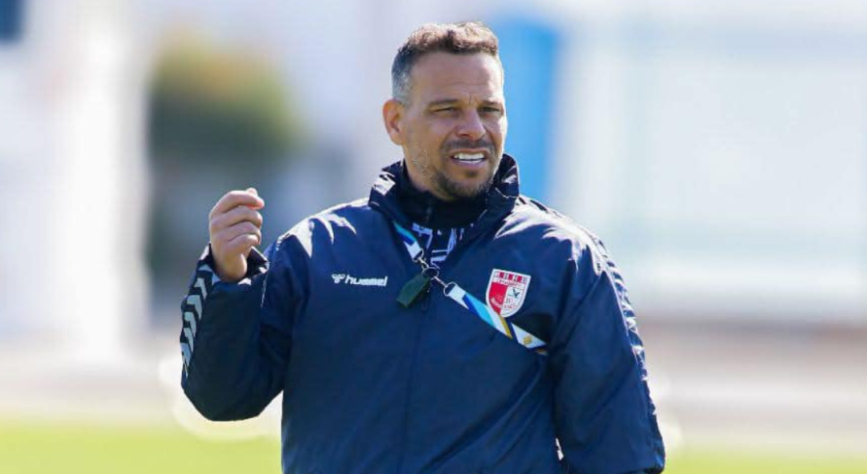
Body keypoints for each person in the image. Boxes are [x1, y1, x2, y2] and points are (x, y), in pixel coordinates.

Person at [179, 21, 665, 474]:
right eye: (447, 109)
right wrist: (228, 279)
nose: (473, 128)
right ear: (395, 122)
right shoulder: (317, 251)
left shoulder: (565, 260)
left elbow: (620, 453)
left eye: (489, 110)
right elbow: (221, 398)